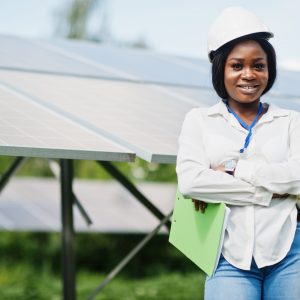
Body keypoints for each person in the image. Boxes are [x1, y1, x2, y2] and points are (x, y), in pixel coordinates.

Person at [176, 6, 300, 300]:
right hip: (228, 258)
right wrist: (268, 193)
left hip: (291, 255)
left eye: (259, 65)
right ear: (221, 69)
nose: (249, 74)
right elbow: (192, 182)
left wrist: (236, 172)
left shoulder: (291, 121)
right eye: (237, 65)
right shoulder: (199, 120)